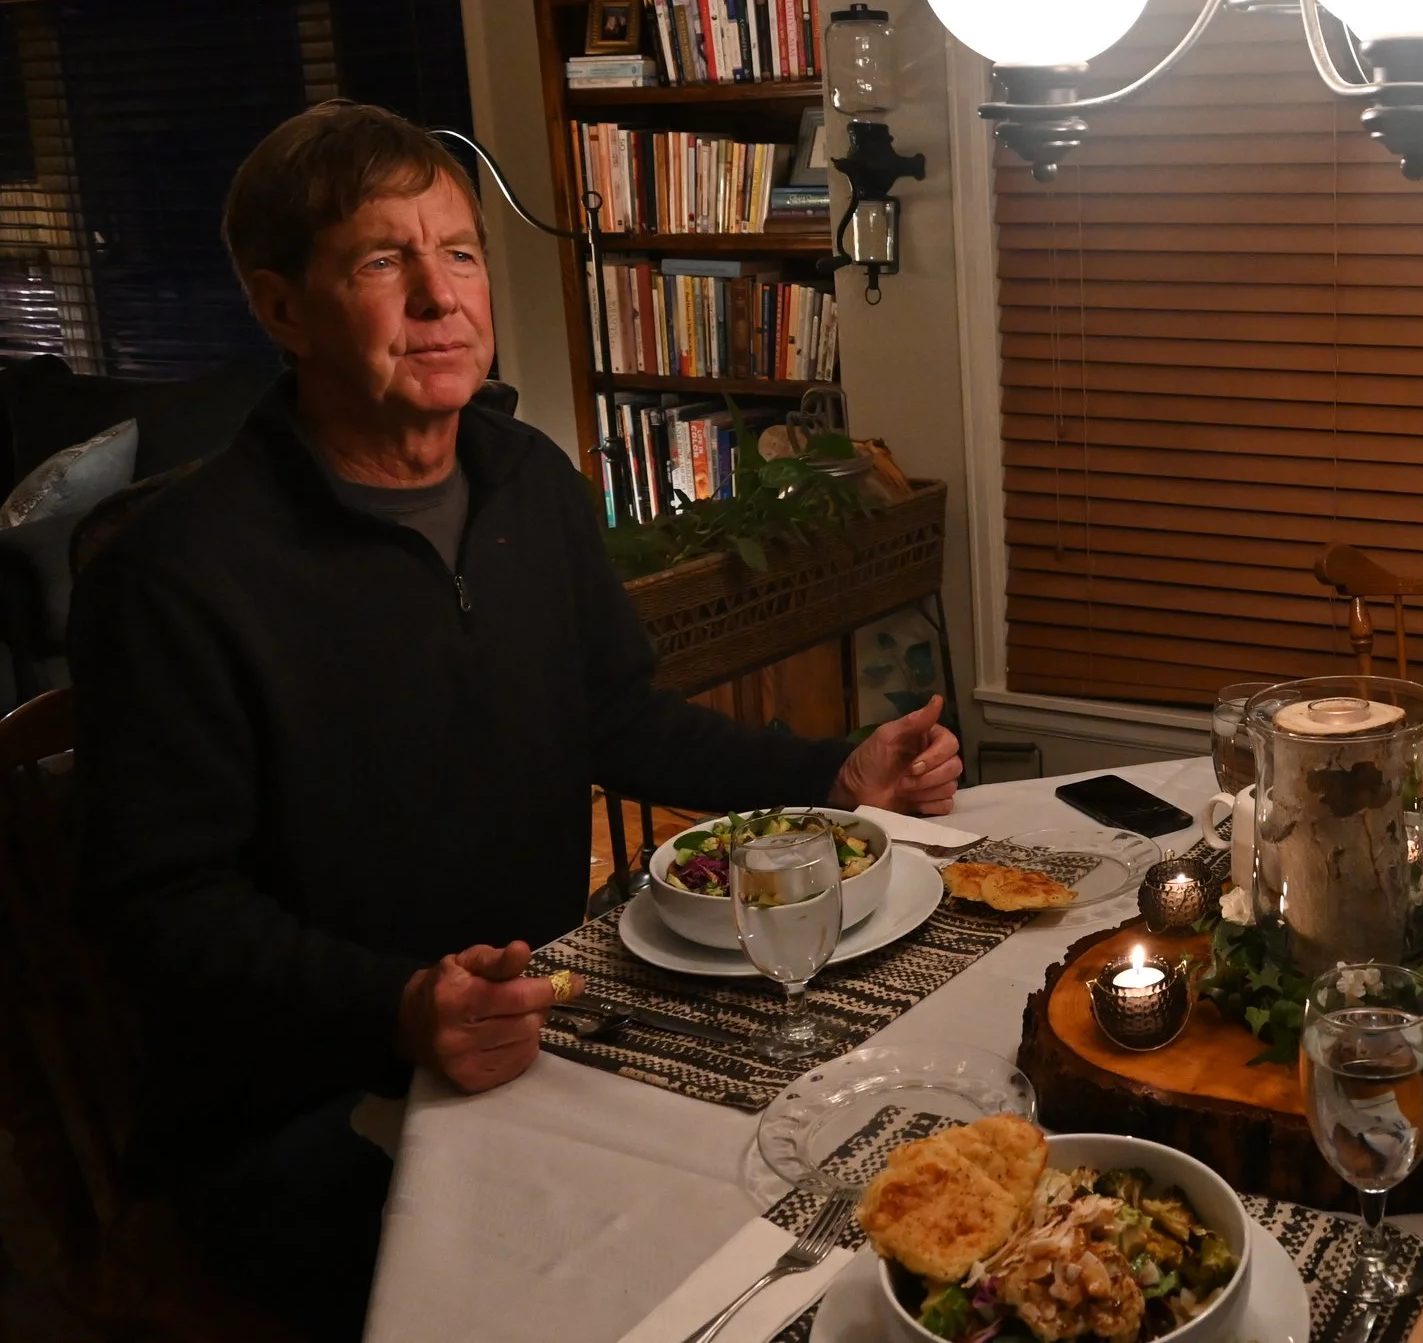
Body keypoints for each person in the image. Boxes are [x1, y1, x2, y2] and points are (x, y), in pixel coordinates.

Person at [69, 101, 963, 1339]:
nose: (441, 297)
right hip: (303, 1101)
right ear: (281, 308)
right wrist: (398, 1003)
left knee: (848, 1181)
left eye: (460, 251)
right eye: (383, 261)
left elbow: (613, 716)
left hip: (546, 1019)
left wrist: (833, 769)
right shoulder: (175, 571)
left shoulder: (526, 477)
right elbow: (159, 909)